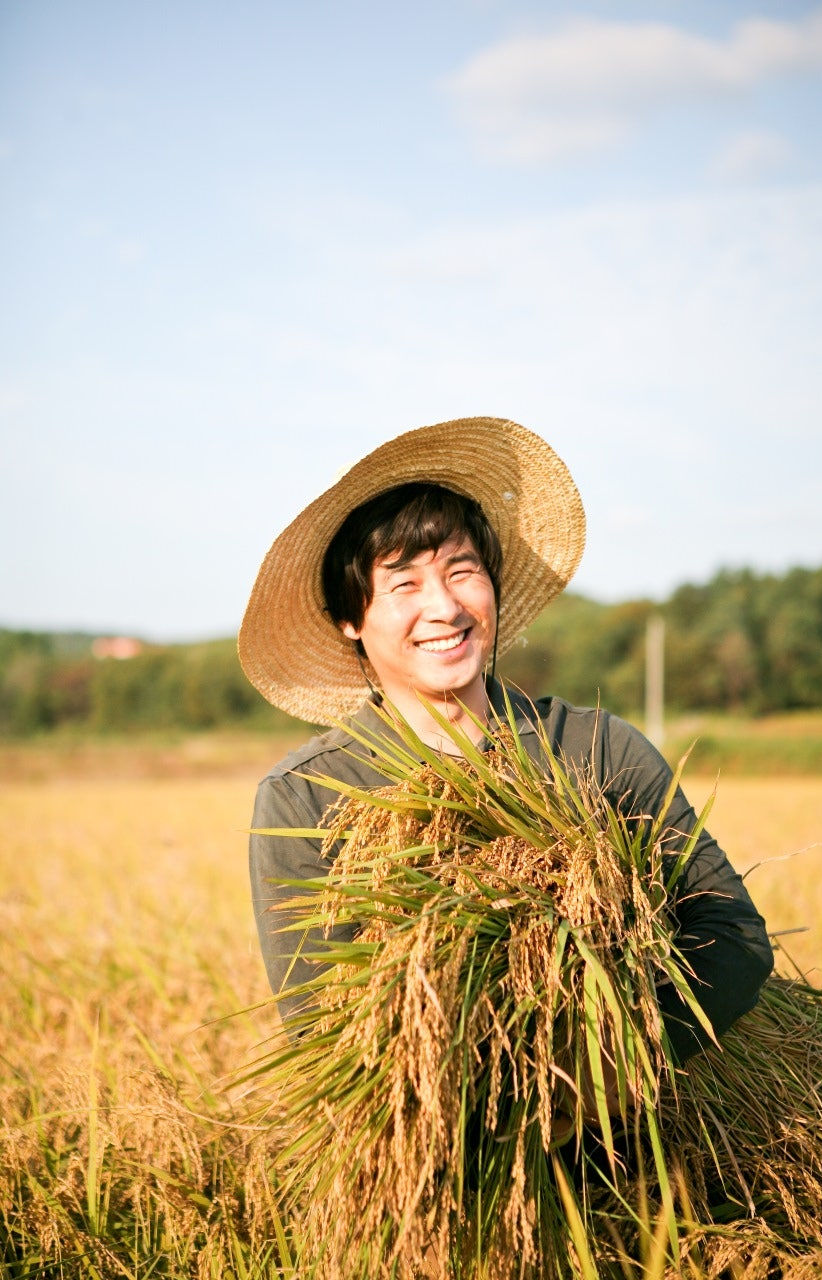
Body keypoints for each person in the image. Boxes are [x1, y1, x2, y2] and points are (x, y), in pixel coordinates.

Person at [239, 416, 773, 1067]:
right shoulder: (305, 800)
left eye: (461, 570)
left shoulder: (597, 748)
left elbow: (732, 934)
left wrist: (594, 1068)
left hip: (636, 1114)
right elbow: (321, 1025)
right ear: (351, 618)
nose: (444, 606)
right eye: (404, 583)